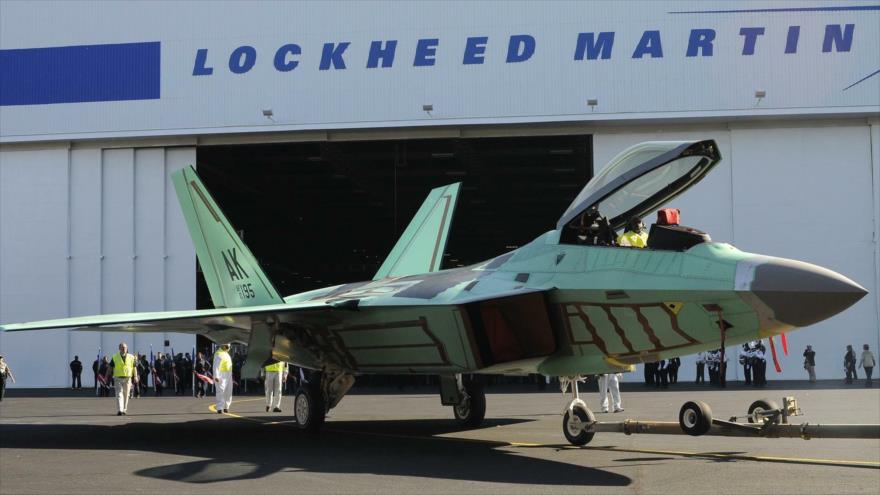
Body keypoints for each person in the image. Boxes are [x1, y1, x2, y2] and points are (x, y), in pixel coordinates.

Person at [105, 342, 137, 416]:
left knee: (126, 395)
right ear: (119, 348)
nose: (124, 349)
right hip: (118, 378)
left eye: (125, 347)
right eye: (122, 347)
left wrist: (135, 376)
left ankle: (124, 409)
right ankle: (120, 410)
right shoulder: (115, 357)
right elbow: (110, 367)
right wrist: (106, 376)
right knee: (119, 394)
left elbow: (134, 367)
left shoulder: (131, 357)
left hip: (128, 378)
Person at [213, 344, 233, 413]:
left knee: (229, 391)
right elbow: (216, 366)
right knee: (220, 391)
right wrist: (216, 376)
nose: (229, 348)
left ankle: (226, 407)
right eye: (228, 347)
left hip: (228, 374)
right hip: (222, 375)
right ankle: (219, 408)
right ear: (223, 346)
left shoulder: (226, 354)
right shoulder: (219, 354)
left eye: (229, 347)